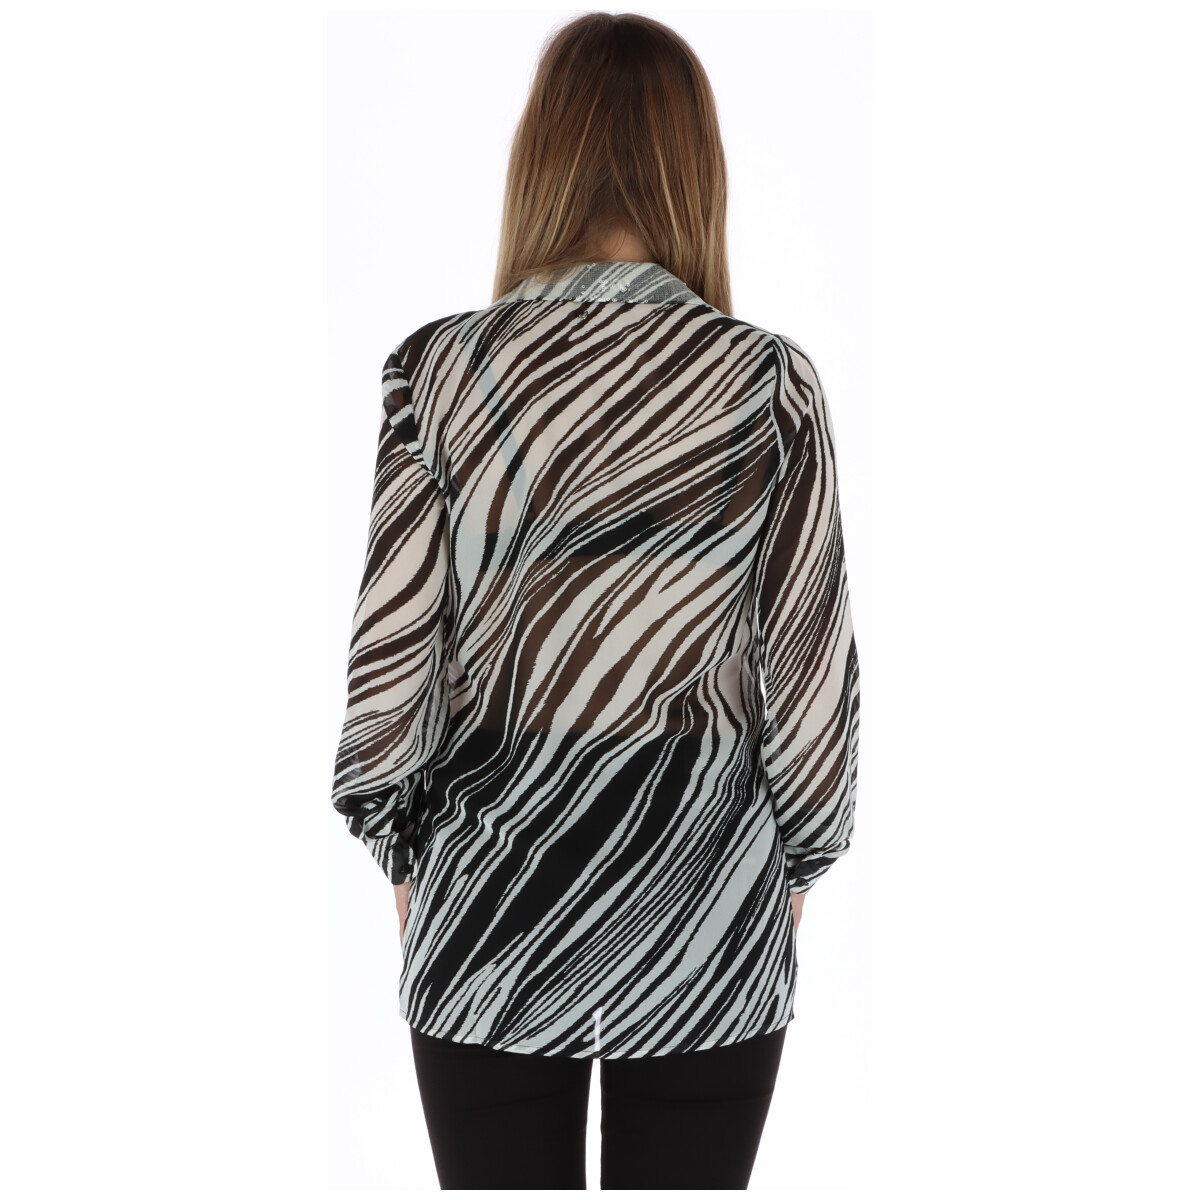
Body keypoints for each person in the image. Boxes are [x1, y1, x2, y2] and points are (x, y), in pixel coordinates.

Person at [331, 10, 861, 1190]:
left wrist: (404, 848)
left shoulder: (439, 374)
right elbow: (809, 674)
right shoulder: (769, 384)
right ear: (696, 166)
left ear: (542, 157)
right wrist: (795, 864)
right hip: (705, 907)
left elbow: (392, 661)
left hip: (491, 908)